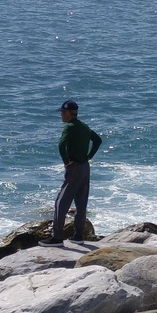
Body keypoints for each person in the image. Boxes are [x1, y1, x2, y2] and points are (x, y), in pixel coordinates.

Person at [39, 100, 102, 247]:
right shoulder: (83, 126)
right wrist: (89, 156)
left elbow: (62, 144)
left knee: (61, 202)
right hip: (85, 167)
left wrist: (66, 162)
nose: (61, 115)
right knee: (81, 202)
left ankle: (57, 237)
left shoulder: (70, 126)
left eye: (62, 112)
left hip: (74, 167)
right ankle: (78, 235)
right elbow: (97, 140)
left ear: (68, 113)